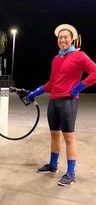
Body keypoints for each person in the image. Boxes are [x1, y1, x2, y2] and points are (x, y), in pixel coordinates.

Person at [25, 24, 96, 186]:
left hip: (68, 102)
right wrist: (36, 92)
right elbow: (52, 82)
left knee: (69, 137)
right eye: (60, 37)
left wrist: (78, 87)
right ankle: (53, 165)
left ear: (72, 39)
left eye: (66, 37)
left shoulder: (80, 56)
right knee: (54, 135)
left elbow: (95, 72)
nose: (63, 39)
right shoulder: (57, 59)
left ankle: (71, 173)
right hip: (54, 101)